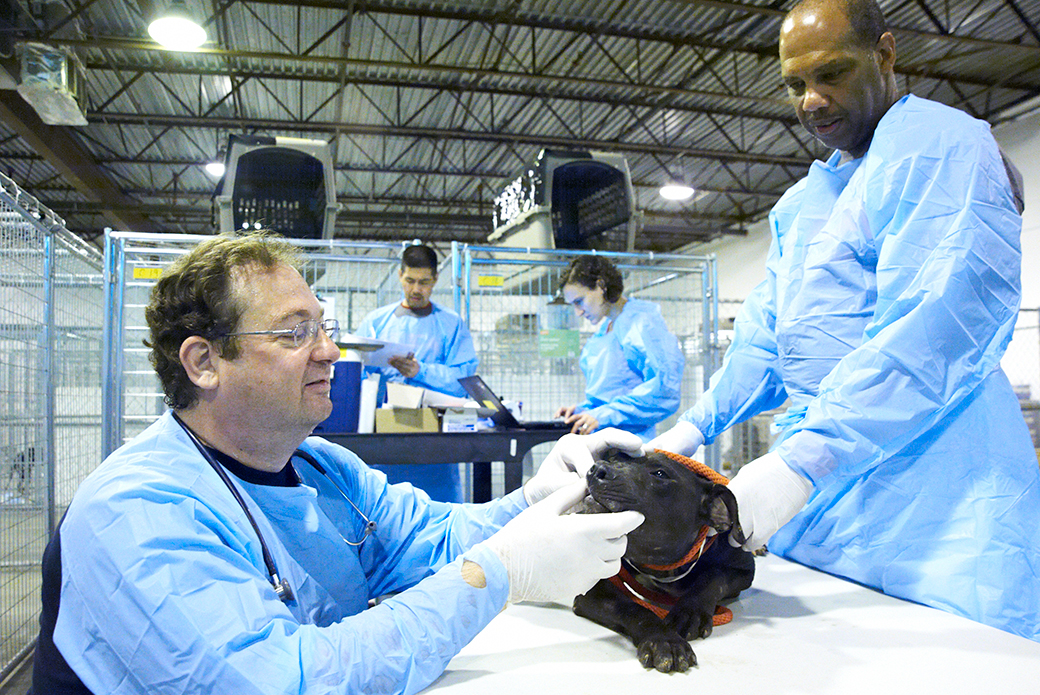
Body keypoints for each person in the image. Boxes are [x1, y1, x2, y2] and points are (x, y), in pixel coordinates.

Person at [32, 232, 645, 695]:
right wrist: (502, 573)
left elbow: (430, 538)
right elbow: (284, 682)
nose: (329, 351)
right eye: (296, 332)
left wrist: (536, 498)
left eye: (324, 328)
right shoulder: (138, 511)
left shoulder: (323, 467)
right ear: (203, 363)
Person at [650, 0, 1040, 641]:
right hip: (828, 508)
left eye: (831, 75)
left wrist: (800, 462)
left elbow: (934, 327)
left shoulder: (941, 148)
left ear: (885, 55)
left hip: (940, 497)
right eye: (795, 85)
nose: (812, 101)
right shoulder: (804, 204)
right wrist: (689, 433)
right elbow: (769, 340)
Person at [356, 243, 478, 501]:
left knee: (440, 511)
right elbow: (358, 375)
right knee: (385, 511)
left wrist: (420, 371)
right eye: (410, 280)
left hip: (435, 440)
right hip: (385, 437)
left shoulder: (451, 324)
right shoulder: (376, 322)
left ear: (435, 280)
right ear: (400, 275)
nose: (415, 289)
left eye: (424, 282)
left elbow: (463, 381)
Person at [554, 255, 685, 441]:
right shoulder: (606, 329)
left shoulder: (641, 323)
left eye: (579, 301)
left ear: (600, 286)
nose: (578, 312)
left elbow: (665, 389)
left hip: (631, 448)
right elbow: (612, 391)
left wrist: (605, 415)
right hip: (603, 442)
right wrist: (584, 411)